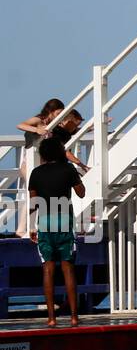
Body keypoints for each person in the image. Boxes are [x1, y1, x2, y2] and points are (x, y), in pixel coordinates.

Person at [28, 137, 85, 327]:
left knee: (48, 269)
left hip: (44, 222)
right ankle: (74, 317)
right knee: (68, 268)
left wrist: (31, 227)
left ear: (43, 154)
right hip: (64, 221)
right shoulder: (68, 170)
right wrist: (74, 176)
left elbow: (34, 203)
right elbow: (81, 192)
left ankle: (51, 318)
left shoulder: (36, 173)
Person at [16, 99, 65, 237]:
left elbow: (69, 131)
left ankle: (35, 227)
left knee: (41, 195)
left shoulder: (54, 124)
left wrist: (91, 127)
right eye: (58, 113)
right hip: (30, 163)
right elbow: (20, 125)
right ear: (50, 111)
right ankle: (22, 229)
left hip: (42, 165)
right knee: (33, 195)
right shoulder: (39, 120)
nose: (60, 116)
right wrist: (37, 129)